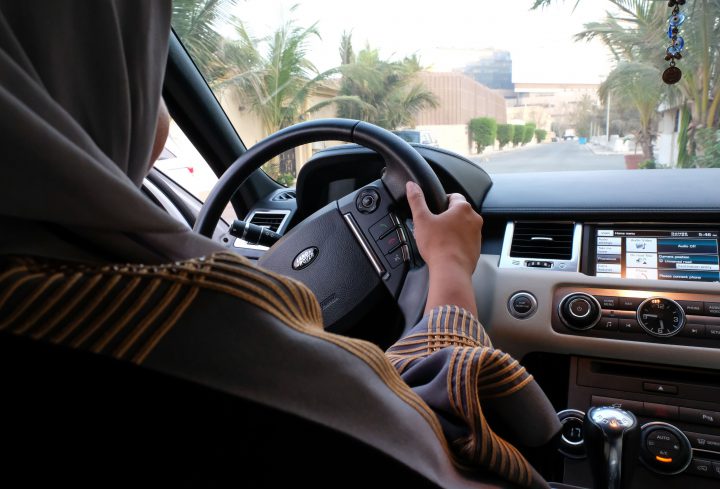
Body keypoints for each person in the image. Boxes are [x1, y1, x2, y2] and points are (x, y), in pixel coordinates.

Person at [0, 1, 560, 488]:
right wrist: (450, 265)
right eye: (148, 72)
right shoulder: (182, 316)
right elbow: (437, 437)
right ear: (91, 78)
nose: (159, 111)